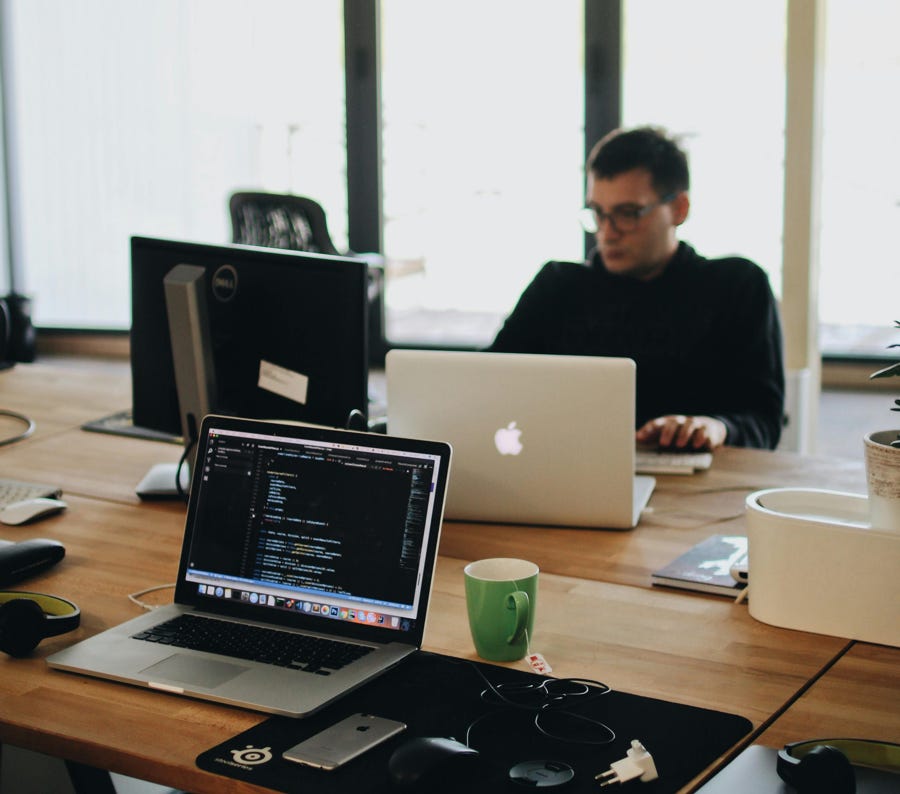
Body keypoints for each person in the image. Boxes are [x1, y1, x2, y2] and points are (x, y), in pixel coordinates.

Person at [487, 126, 785, 450]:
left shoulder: (737, 287)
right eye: (598, 214)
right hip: (567, 474)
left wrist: (717, 427)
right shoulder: (557, 286)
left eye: (628, 214)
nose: (607, 232)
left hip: (699, 487)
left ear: (679, 209)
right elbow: (486, 384)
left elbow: (764, 422)